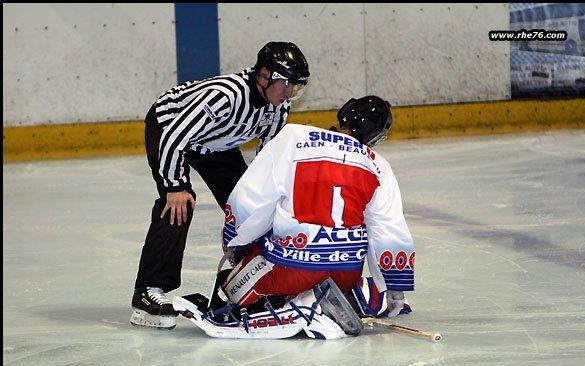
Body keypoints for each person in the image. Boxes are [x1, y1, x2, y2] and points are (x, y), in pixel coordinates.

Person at [173, 95, 416, 339]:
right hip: (345, 272)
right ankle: (334, 300)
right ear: (376, 136)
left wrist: (234, 244)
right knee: (369, 288)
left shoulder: (294, 137)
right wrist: (395, 292)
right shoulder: (379, 166)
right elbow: (389, 231)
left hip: (290, 268)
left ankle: (295, 305)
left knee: (231, 287)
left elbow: (252, 199)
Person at [130, 42, 310, 329]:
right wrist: (175, 186)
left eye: (295, 85)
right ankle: (148, 294)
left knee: (250, 206)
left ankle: (253, 281)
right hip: (169, 129)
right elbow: (175, 137)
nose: (289, 93)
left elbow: (267, 163)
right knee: (178, 205)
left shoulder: (278, 108)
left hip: (216, 143)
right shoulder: (225, 97)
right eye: (285, 83)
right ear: (263, 76)